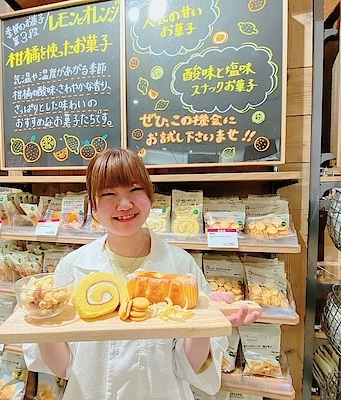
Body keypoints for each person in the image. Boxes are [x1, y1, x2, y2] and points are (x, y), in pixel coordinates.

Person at [23, 148, 260, 400]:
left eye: (135, 190)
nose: (125, 204)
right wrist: (41, 318)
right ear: (93, 205)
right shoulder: (73, 267)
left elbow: (189, 366)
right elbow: (64, 367)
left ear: (150, 196)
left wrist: (205, 321)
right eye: (109, 193)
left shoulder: (181, 267)